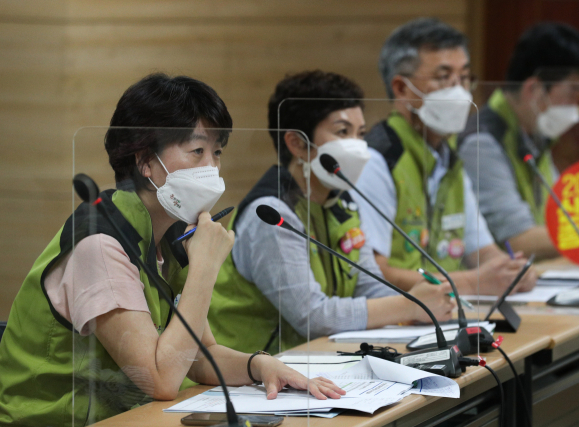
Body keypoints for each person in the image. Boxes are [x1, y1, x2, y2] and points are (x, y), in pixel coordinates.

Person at [0, 73, 343, 427]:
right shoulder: (101, 244)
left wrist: (260, 365)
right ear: (146, 161)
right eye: (197, 152)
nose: (211, 168)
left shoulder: (170, 235)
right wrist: (205, 267)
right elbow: (160, 379)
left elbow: (199, 354)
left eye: (217, 153)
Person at [208, 70, 455, 354]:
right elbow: (311, 316)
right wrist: (408, 305)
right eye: (342, 132)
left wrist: (425, 305)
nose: (359, 146)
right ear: (297, 144)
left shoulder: (343, 201)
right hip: (250, 374)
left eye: (361, 133)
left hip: (318, 364)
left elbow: (369, 286)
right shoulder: (272, 214)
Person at [355, 18, 538, 296]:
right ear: (402, 89)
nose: (460, 91)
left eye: (464, 77)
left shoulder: (448, 157)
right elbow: (373, 273)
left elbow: (483, 251)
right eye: (443, 78)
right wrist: (471, 282)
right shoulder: (376, 160)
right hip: (396, 321)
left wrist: (511, 270)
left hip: (447, 315)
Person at [458, 23, 579, 260]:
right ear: (533, 88)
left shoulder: (535, 136)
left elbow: (562, 217)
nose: (576, 107)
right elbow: (517, 239)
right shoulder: (481, 142)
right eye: (573, 93)